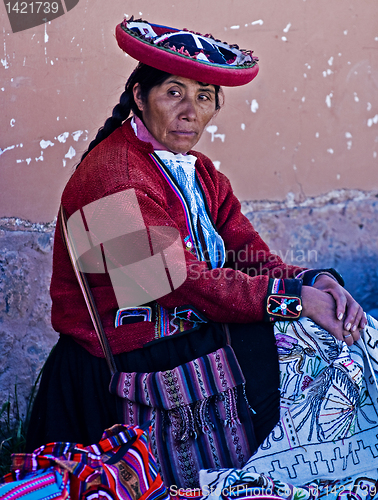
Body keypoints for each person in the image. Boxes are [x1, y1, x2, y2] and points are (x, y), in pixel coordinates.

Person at [26, 16, 367, 489]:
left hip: (185, 330)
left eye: (204, 96)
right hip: (123, 359)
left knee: (336, 335)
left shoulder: (201, 173)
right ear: (140, 98)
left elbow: (249, 255)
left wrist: (311, 282)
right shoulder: (110, 179)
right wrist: (289, 299)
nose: (190, 110)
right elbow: (173, 282)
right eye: (174, 93)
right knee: (297, 347)